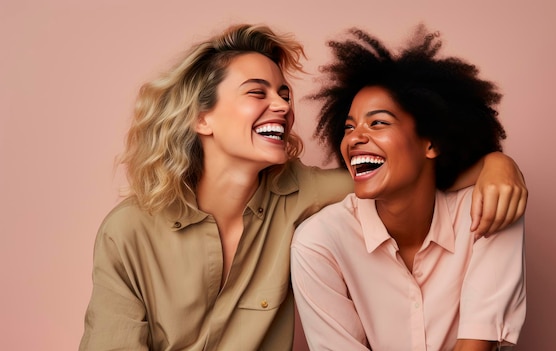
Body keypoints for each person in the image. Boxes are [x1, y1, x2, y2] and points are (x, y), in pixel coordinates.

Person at [79, 24, 527, 351]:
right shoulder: (129, 233)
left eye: (284, 93)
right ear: (202, 118)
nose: (282, 106)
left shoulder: (302, 195)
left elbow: (397, 174)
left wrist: (497, 163)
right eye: (258, 93)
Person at [291, 26, 526, 351]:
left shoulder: (488, 209)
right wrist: (498, 163)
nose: (355, 137)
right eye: (349, 127)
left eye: (378, 122)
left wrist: (498, 163)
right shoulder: (319, 242)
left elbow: (476, 347)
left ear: (431, 142)